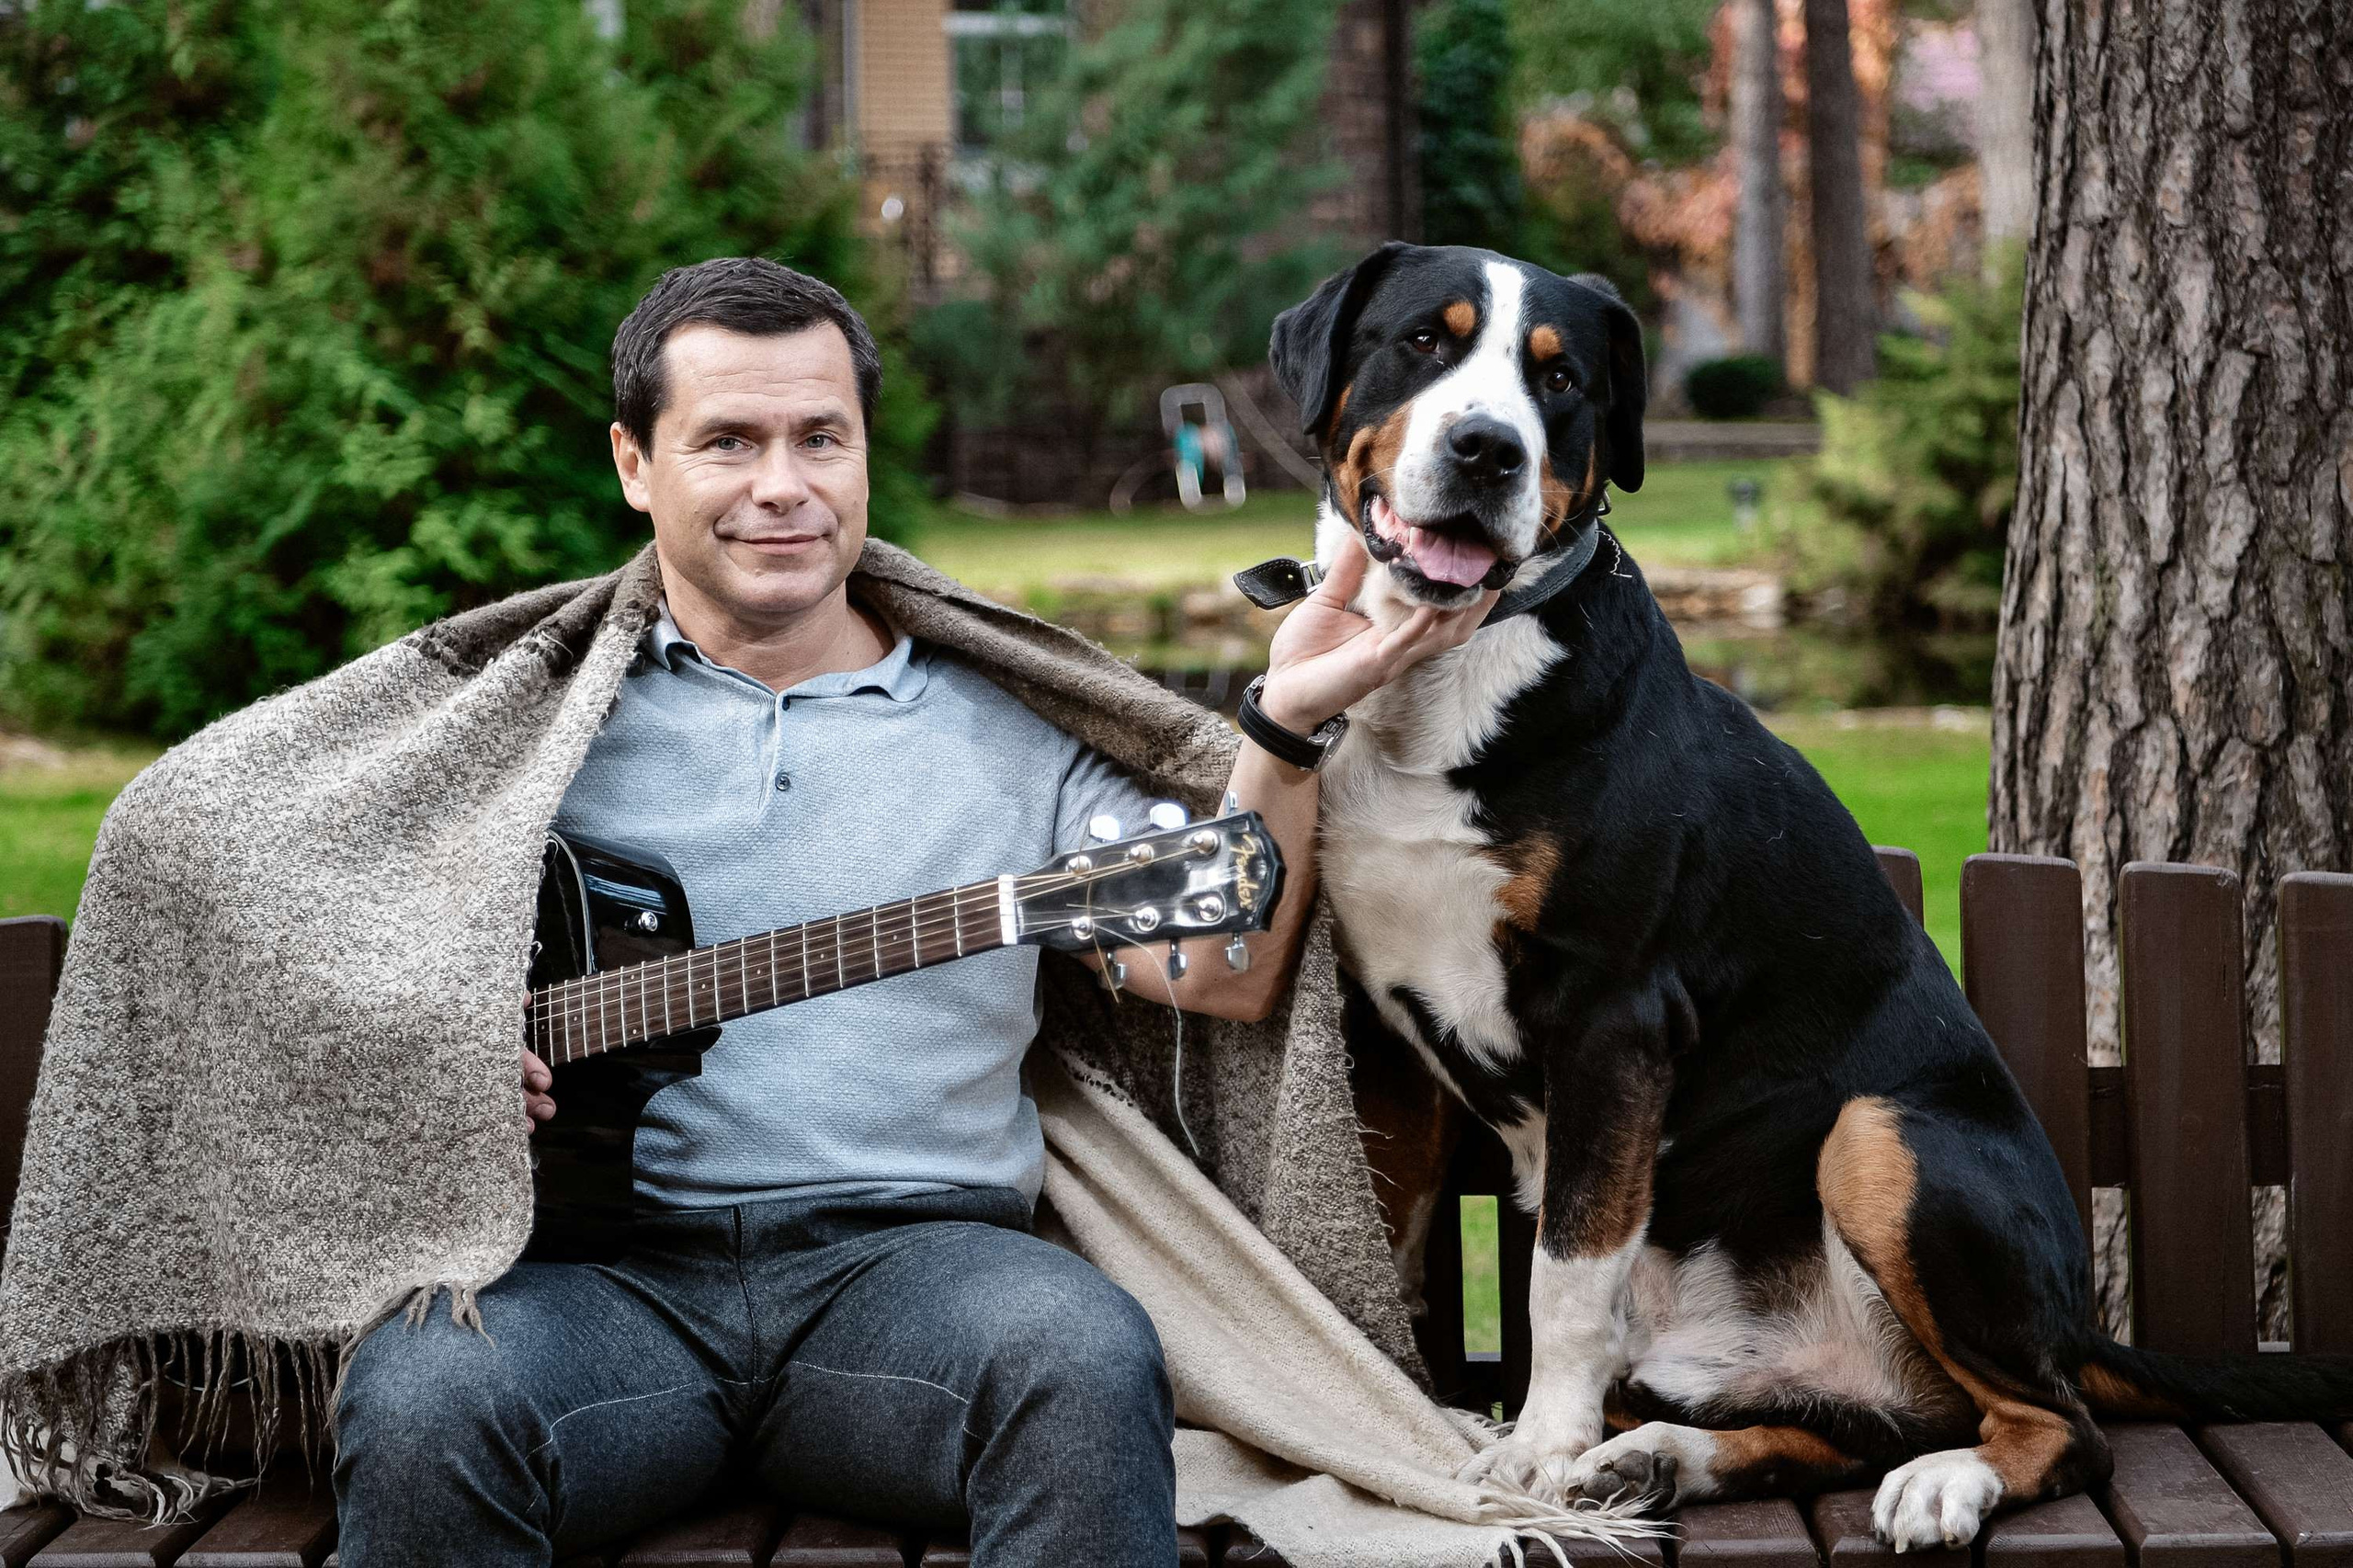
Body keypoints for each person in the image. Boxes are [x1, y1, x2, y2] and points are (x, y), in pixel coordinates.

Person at [329, 257, 1495, 1566]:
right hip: (599, 1290)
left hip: (917, 1284)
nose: (784, 485)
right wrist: (439, 1058)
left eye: (821, 437)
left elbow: (1216, 965)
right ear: (633, 463)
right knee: (426, 1391)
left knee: (1078, 1356)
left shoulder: (1008, 726)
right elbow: (305, 935)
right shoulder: (530, 725)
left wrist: (1280, 732)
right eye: (729, 440)